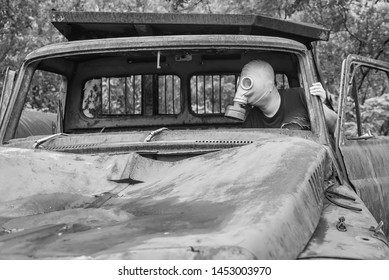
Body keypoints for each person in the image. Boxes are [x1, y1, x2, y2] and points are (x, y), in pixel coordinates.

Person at [224, 60, 337, 134]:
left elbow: (335, 126)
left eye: (248, 83)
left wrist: (322, 104)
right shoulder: (253, 119)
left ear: (270, 86)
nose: (242, 90)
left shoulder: (302, 96)